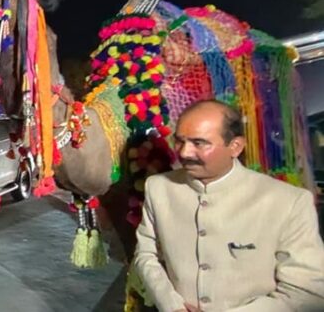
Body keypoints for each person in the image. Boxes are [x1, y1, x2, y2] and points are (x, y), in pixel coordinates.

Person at [134, 99, 324, 312]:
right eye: (179, 141)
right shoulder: (158, 187)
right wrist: (171, 305)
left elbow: (306, 292)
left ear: (235, 147)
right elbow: (146, 254)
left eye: (199, 143)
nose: (185, 152)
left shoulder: (288, 201)